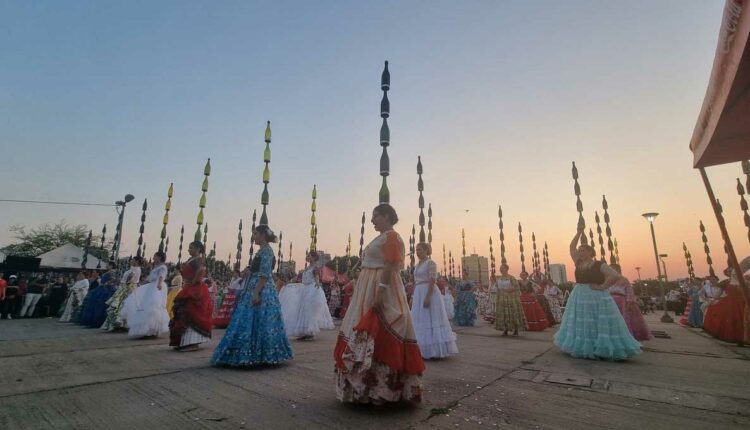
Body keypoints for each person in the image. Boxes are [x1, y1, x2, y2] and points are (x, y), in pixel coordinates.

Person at [334, 204, 424, 404]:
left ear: (385, 216)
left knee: (380, 328)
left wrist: (381, 292)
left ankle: (381, 390)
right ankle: (365, 388)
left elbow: (390, 265)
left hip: (380, 286)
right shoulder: (381, 237)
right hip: (368, 286)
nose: (373, 221)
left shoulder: (392, 237)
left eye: (375, 216)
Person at [553, 227, 641, 360]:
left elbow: (615, 275)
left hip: (594, 294)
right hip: (580, 293)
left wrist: (603, 286)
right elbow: (571, 247)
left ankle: (599, 347)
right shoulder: (579, 263)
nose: (580, 252)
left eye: (583, 250)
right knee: (581, 319)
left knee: (596, 319)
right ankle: (582, 345)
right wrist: (578, 233)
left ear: (590, 252)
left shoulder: (599, 264)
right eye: (580, 250)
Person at [211, 226, 292, 364]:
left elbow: (265, 274)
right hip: (255, 286)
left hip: (261, 289)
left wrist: (256, 293)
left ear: (262, 235)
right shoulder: (261, 251)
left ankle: (258, 353)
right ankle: (255, 352)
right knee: (254, 319)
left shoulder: (266, 251)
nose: (253, 236)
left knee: (257, 319)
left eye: (255, 234)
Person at [410, 242, 458, 359]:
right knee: (420, 319)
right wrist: (412, 297)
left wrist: (427, 297)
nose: (417, 252)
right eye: (416, 250)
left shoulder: (430, 263)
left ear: (427, 250)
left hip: (428, 291)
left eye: (420, 249)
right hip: (418, 292)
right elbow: (416, 281)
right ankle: (421, 349)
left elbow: (432, 280)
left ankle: (434, 350)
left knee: (431, 318)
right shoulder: (417, 265)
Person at [279, 250, 334, 340]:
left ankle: (310, 331)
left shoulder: (315, 268)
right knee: (302, 309)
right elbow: (298, 277)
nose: (307, 257)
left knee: (309, 310)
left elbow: (316, 277)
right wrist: (289, 282)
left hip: (311, 289)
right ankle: (305, 331)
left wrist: (317, 283)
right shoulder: (307, 268)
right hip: (304, 289)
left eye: (309, 256)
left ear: (313, 258)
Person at [169, 241, 213, 351]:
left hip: (195, 289)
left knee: (191, 312)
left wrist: (194, 281)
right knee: (184, 313)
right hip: (189, 287)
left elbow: (201, 270)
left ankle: (193, 343)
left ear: (198, 249)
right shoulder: (192, 260)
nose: (189, 250)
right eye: (189, 247)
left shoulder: (198, 260)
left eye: (191, 247)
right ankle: (184, 342)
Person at [121, 252, 170, 338]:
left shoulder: (163, 267)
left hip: (156, 287)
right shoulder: (155, 266)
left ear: (160, 257)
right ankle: (146, 329)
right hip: (151, 286)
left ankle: (152, 330)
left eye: (155, 256)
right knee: (145, 306)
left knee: (154, 307)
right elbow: (151, 277)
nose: (154, 258)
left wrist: (159, 284)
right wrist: (144, 282)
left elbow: (161, 276)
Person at [608, 264, 652, 341]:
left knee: (625, 321)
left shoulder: (624, 279)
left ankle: (627, 338)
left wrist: (629, 302)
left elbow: (629, 291)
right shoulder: (607, 279)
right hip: (610, 302)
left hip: (622, 302)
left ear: (618, 270)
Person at [101, 257, 142, 331]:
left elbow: (131, 276)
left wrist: (126, 282)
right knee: (122, 304)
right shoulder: (135, 268)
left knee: (121, 304)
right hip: (127, 287)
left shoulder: (135, 269)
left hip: (127, 287)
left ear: (137, 261)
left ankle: (120, 323)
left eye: (133, 260)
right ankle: (121, 324)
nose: (131, 261)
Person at [81, 262, 119, 327]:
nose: (106, 266)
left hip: (107, 290)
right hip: (102, 289)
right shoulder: (109, 272)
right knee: (96, 304)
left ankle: (98, 322)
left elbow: (115, 280)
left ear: (111, 266)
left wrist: (106, 283)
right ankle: (95, 322)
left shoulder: (112, 272)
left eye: (107, 265)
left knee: (101, 305)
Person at [494, 264, 526, 336]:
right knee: (504, 315)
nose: (501, 270)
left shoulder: (511, 278)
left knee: (512, 314)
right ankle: (505, 329)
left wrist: (509, 290)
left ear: (506, 269)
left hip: (510, 299)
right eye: (500, 268)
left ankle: (516, 329)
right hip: (502, 300)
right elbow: (497, 288)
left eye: (503, 268)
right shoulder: (499, 278)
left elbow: (517, 287)